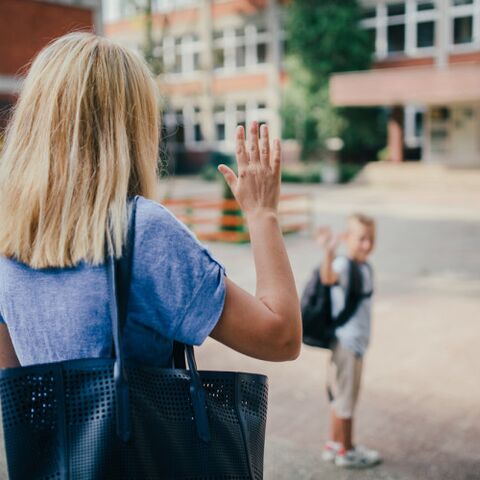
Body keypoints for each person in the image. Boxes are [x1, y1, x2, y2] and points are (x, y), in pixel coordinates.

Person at [0, 33, 301, 377]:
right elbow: (281, 337)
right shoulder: (141, 233)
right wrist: (263, 214)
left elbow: (15, 390)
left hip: (48, 434)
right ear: (130, 129)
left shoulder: (8, 234)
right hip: (142, 434)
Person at [317, 214, 381, 468]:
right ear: (346, 239)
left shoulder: (363, 266)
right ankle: (348, 450)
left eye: (371, 239)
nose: (367, 244)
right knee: (347, 401)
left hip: (352, 343)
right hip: (348, 344)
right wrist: (329, 253)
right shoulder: (344, 265)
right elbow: (328, 278)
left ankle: (334, 444)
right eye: (361, 239)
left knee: (340, 398)